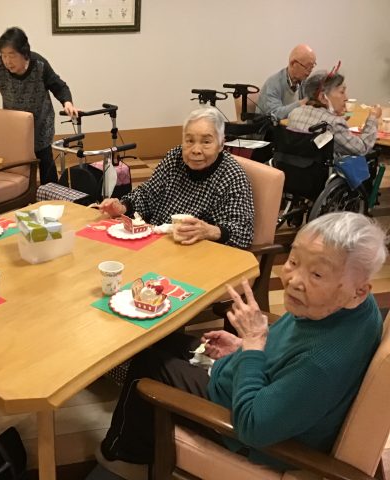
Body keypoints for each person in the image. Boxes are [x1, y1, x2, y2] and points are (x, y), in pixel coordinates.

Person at [90, 212, 385, 480]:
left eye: (317, 274)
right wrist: (243, 345)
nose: (294, 280)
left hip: (252, 428)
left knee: (147, 370)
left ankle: (121, 460)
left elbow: (254, 426)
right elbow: (292, 352)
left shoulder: (322, 362)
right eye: (294, 261)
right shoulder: (351, 307)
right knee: (161, 339)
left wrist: (253, 346)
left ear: (359, 291)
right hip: (259, 385)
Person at [98, 107, 254, 249]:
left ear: (221, 144)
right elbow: (148, 194)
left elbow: (243, 232)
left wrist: (209, 231)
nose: (196, 150)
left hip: (196, 251)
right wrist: (123, 207)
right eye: (189, 141)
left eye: (206, 142)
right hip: (157, 242)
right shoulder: (175, 157)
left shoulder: (232, 175)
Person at [0, 26, 80, 185]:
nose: (7, 61)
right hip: (15, 124)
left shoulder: (39, 65)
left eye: (12, 55)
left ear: (24, 53)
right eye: (4, 55)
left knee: (44, 160)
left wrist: (67, 102)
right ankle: (22, 193)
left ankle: (51, 192)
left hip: (40, 123)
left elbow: (59, 86)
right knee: (18, 163)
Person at [287, 64, 382, 158]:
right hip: (326, 167)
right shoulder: (334, 124)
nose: (346, 98)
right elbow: (362, 148)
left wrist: (337, 118)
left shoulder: (294, 113)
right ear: (322, 97)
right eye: (342, 92)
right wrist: (373, 117)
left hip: (296, 167)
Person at [257, 44, 316, 121]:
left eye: (312, 66)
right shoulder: (273, 83)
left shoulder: (304, 81)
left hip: (291, 125)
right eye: (307, 66)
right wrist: (300, 104)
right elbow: (274, 114)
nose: (310, 71)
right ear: (293, 64)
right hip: (268, 127)